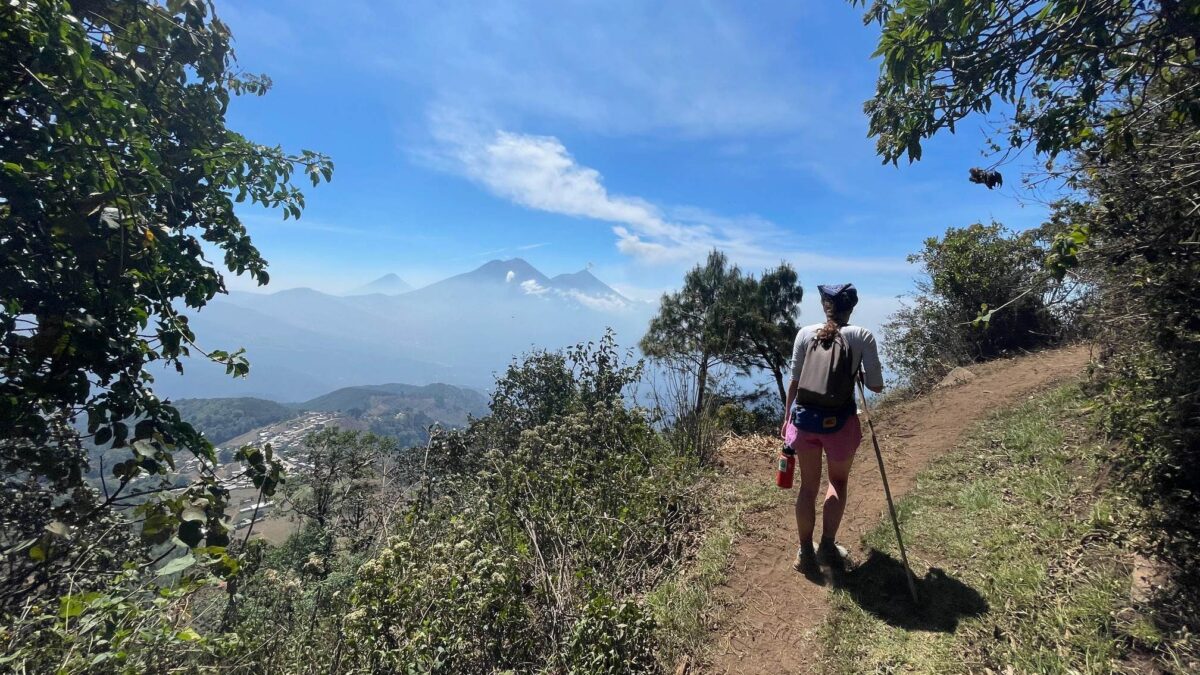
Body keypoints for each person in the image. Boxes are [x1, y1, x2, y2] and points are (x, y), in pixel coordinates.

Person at [780, 283, 884, 574]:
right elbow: (876, 385)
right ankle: (827, 546)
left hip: (804, 422)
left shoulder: (804, 333)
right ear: (852, 307)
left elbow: (794, 382)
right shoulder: (862, 336)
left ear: (825, 305)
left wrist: (787, 419)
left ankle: (804, 553)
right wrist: (860, 375)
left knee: (807, 487)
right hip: (839, 423)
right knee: (837, 483)